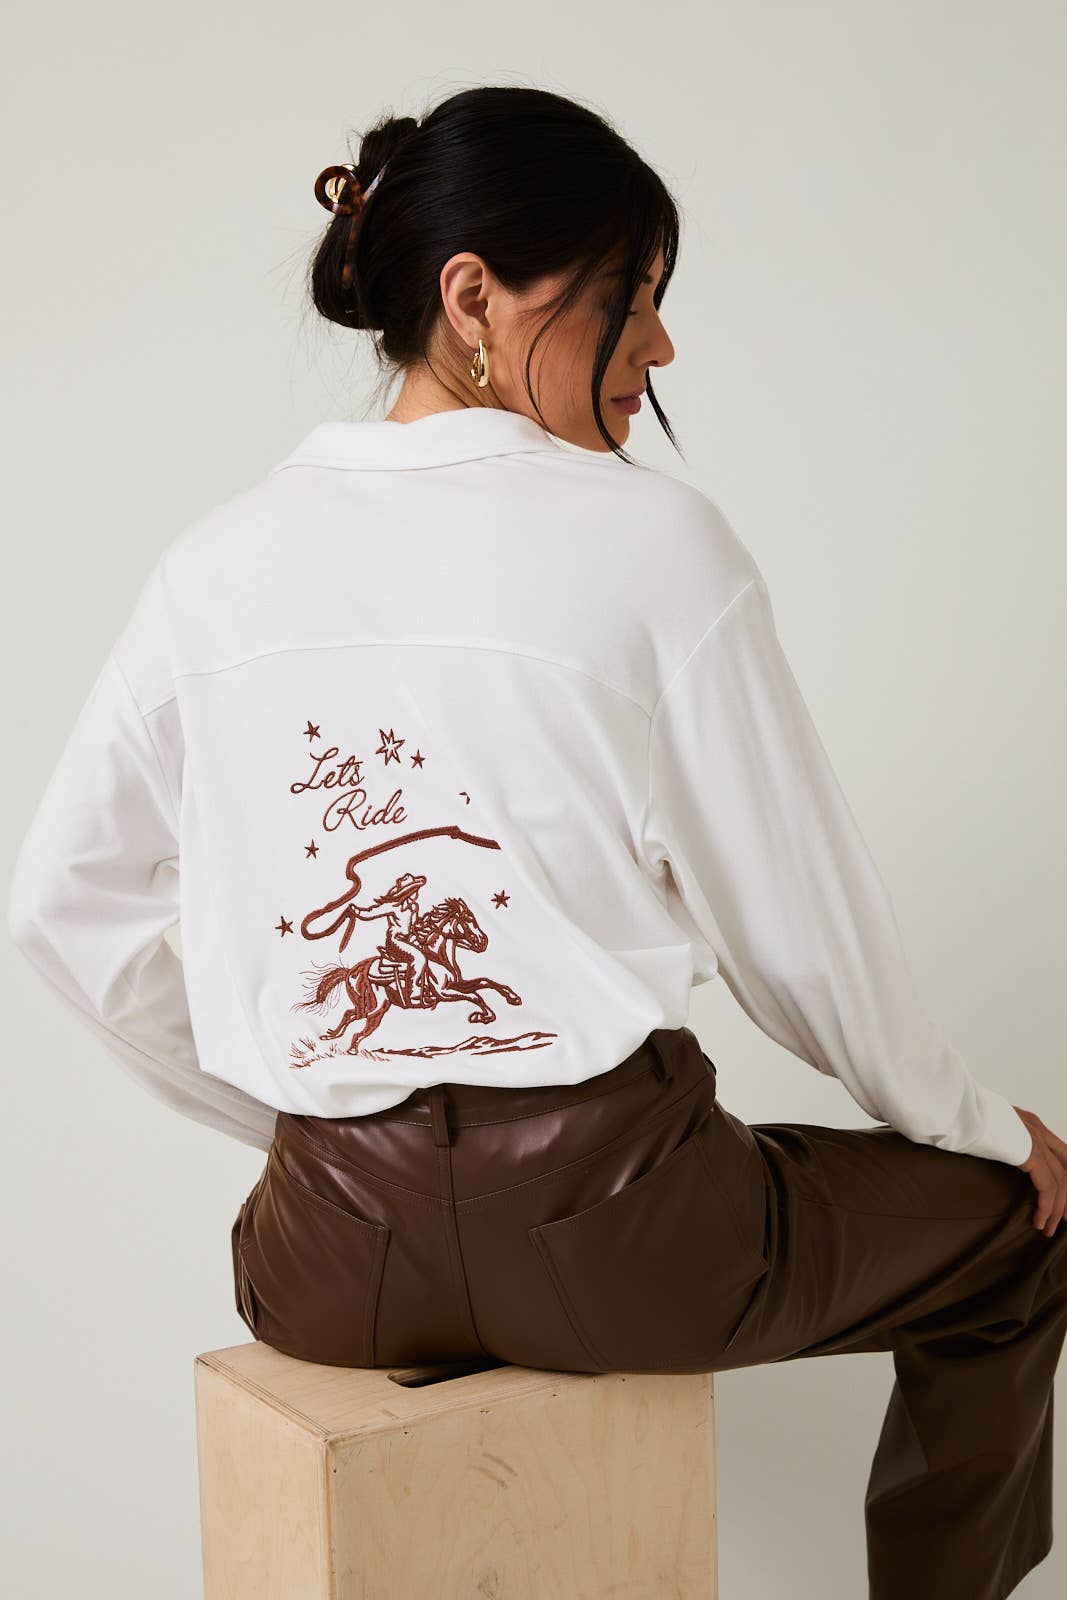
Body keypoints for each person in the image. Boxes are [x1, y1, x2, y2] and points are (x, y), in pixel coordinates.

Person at [8, 84, 1065, 1599]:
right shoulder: (654, 544)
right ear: (473, 295)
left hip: (320, 1267)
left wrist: (305, 1116)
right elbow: (802, 940)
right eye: (632, 297)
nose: (662, 346)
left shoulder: (210, 569)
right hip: (627, 1246)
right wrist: (979, 1130)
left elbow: (60, 904)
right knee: (1019, 1239)